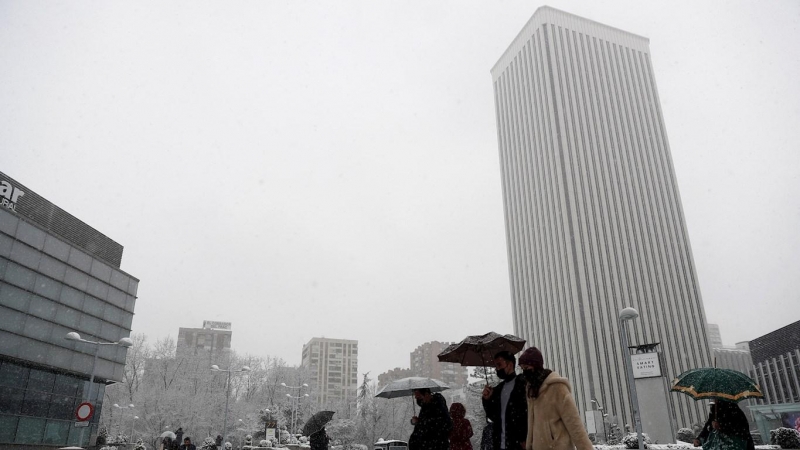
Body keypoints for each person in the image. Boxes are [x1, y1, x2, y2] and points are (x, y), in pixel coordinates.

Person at [518, 347, 592, 450]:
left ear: (536, 365)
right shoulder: (531, 391)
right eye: (522, 368)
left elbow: (574, 423)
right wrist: (529, 445)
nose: (524, 372)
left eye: (526, 368)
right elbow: (532, 423)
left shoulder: (557, 388)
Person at [482, 351, 528, 450]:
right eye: (495, 366)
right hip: (499, 443)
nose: (497, 369)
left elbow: (525, 414)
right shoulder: (498, 390)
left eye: (499, 364)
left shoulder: (522, 384)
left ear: (510, 364)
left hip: (518, 444)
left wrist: (524, 438)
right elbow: (493, 416)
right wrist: (487, 400)